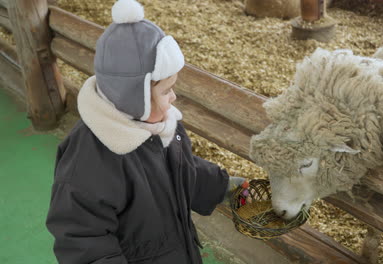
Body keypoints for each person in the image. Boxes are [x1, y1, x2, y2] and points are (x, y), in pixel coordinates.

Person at [45, 0, 248, 263]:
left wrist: (224, 186)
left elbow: (181, 170)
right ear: (134, 97)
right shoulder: (89, 162)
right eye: (165, 91)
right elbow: (83, 243)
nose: (173, 97)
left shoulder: (160, 128)